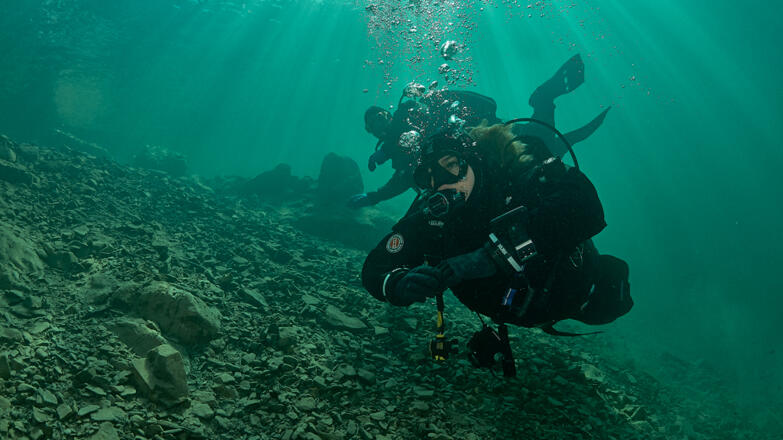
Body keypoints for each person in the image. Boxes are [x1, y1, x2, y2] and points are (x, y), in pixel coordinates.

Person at [360, 124, 632, 371]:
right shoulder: (432, 217)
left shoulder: (518, 178)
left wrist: (492, 256)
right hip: (511, 309)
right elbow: (376, 267)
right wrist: (397, 284)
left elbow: (587, 209)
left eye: (451, 165)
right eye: (429, 176)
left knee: (610, 305)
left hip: (576, 290)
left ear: (473, 160)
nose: (443, 182)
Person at [349, 53, 610, 208]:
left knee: (536, 144)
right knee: (544, 146)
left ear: (389, 114)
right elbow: (405, 178)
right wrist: (373, 196)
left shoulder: (410, 117)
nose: (380, 126)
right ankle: (545, 104)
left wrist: (384, 159)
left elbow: (408, 164)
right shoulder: (402, 149)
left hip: (490, 143)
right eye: (373, 126)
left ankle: (544, 100)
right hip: (494, 145)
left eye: (380, 118)